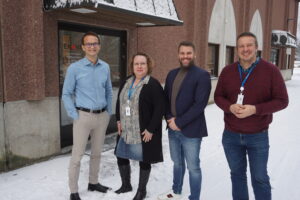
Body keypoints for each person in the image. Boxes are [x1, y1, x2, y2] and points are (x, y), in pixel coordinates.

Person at [214, 32, 289, 200]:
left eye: (249, 45)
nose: (245, 49)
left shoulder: (271, 71)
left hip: (258, 136)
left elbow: (282, 100)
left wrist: (255, 109)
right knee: (237, 176)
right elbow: (218, 96)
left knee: (260, 178)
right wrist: (229, 107)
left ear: (256, 47)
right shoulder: (227, 71)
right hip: (231, 135)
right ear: (237, 49)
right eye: (241, 46)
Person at [62, 31, 113, 200]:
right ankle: (74, 191)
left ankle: (93, 182)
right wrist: (74, 115)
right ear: (83, 47)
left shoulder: (105, 67)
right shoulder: (74, 68)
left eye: (95, 43)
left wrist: (108, 112)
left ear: (99, 45)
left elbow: (108, 91)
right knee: (77, 157)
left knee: (97, 153)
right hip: (82, 117)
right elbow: (66, 94)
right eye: (88, 44)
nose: (92, 46)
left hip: (101, 117)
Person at [158, 41, 211, 200]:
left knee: (193, 167)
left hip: (191, 131)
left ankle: (194, 197)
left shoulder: (202, 75)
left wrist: (179, 122)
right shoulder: (172, 74)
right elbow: (165, 99)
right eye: (182, 53)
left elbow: (199, 104)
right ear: (178, 55)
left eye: (188, 53)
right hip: (173, 129)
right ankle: (176, 191)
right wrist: (168, 118)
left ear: (194, 55)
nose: (185, 56)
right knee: (177, 163)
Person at [115, 52, 165, 200]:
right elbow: (119, 102)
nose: (139, 66)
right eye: (136, 63)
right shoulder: (127, 81)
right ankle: (126, 185)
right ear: (132, 66)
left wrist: (150, 129)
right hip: (125, 129)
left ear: (148, 65)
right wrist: (118, 120)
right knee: (121, 155)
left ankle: (141, 191)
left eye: (142, 63)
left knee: (144, 159)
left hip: (142, 130)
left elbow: (159, 108)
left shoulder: (153, 84)